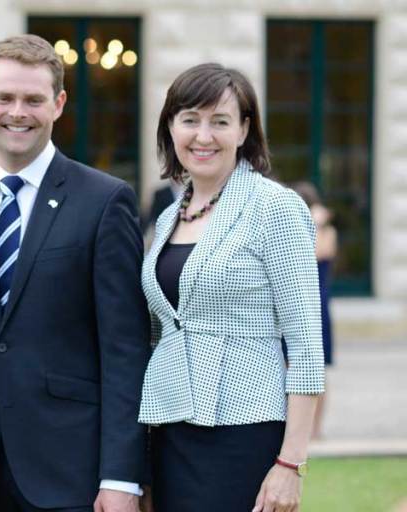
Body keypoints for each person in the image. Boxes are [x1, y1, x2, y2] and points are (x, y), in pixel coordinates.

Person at [0, 35, 150, 511]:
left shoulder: (105, 201)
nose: (18, 112)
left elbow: (125, 348)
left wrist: (121, 477)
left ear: (59, 104)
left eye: (34, 99)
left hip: (72, 471)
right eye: (4, 97)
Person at [140, 63, 325, 512]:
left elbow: (305, 346)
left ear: (244, 130)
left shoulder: (275, 208)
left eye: (219, 121)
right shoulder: (168, 217)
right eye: (190, 119)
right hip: (168, 431)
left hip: (244, 431)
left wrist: (289, 463)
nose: (203, 136)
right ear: (170, 127)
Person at [290, 181, 338, 439]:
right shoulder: (293, 230)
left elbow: (320, 252)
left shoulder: (325, 231)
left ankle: (316, 429)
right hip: (298, 305)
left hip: (319, 307)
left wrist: (317, 224)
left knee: (318, 371)